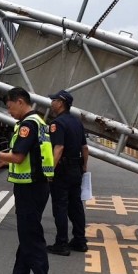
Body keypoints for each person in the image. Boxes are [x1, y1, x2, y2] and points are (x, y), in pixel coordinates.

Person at [0, 87, 55, 274]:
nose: (9, 111)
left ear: (20, 101)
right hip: (36, 185)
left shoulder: (27, 125)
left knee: (31, 236)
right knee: (27, 233)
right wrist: (2, 161)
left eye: (10, 106)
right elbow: (29, 156)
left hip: (31, 186)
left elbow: (19, 155)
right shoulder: (39, 122)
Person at [46, 90, 90, 256]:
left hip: (62, 171)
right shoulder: (77, 122)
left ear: (61, 103)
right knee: (76, 206)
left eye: (54, 100)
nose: (51, 103)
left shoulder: (57, 124)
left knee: (60, 207)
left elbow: (58, 148)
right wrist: (84, 167)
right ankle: (80, 240)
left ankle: (62, 243)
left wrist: (50, 171)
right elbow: (85, 148)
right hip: (76, 169)